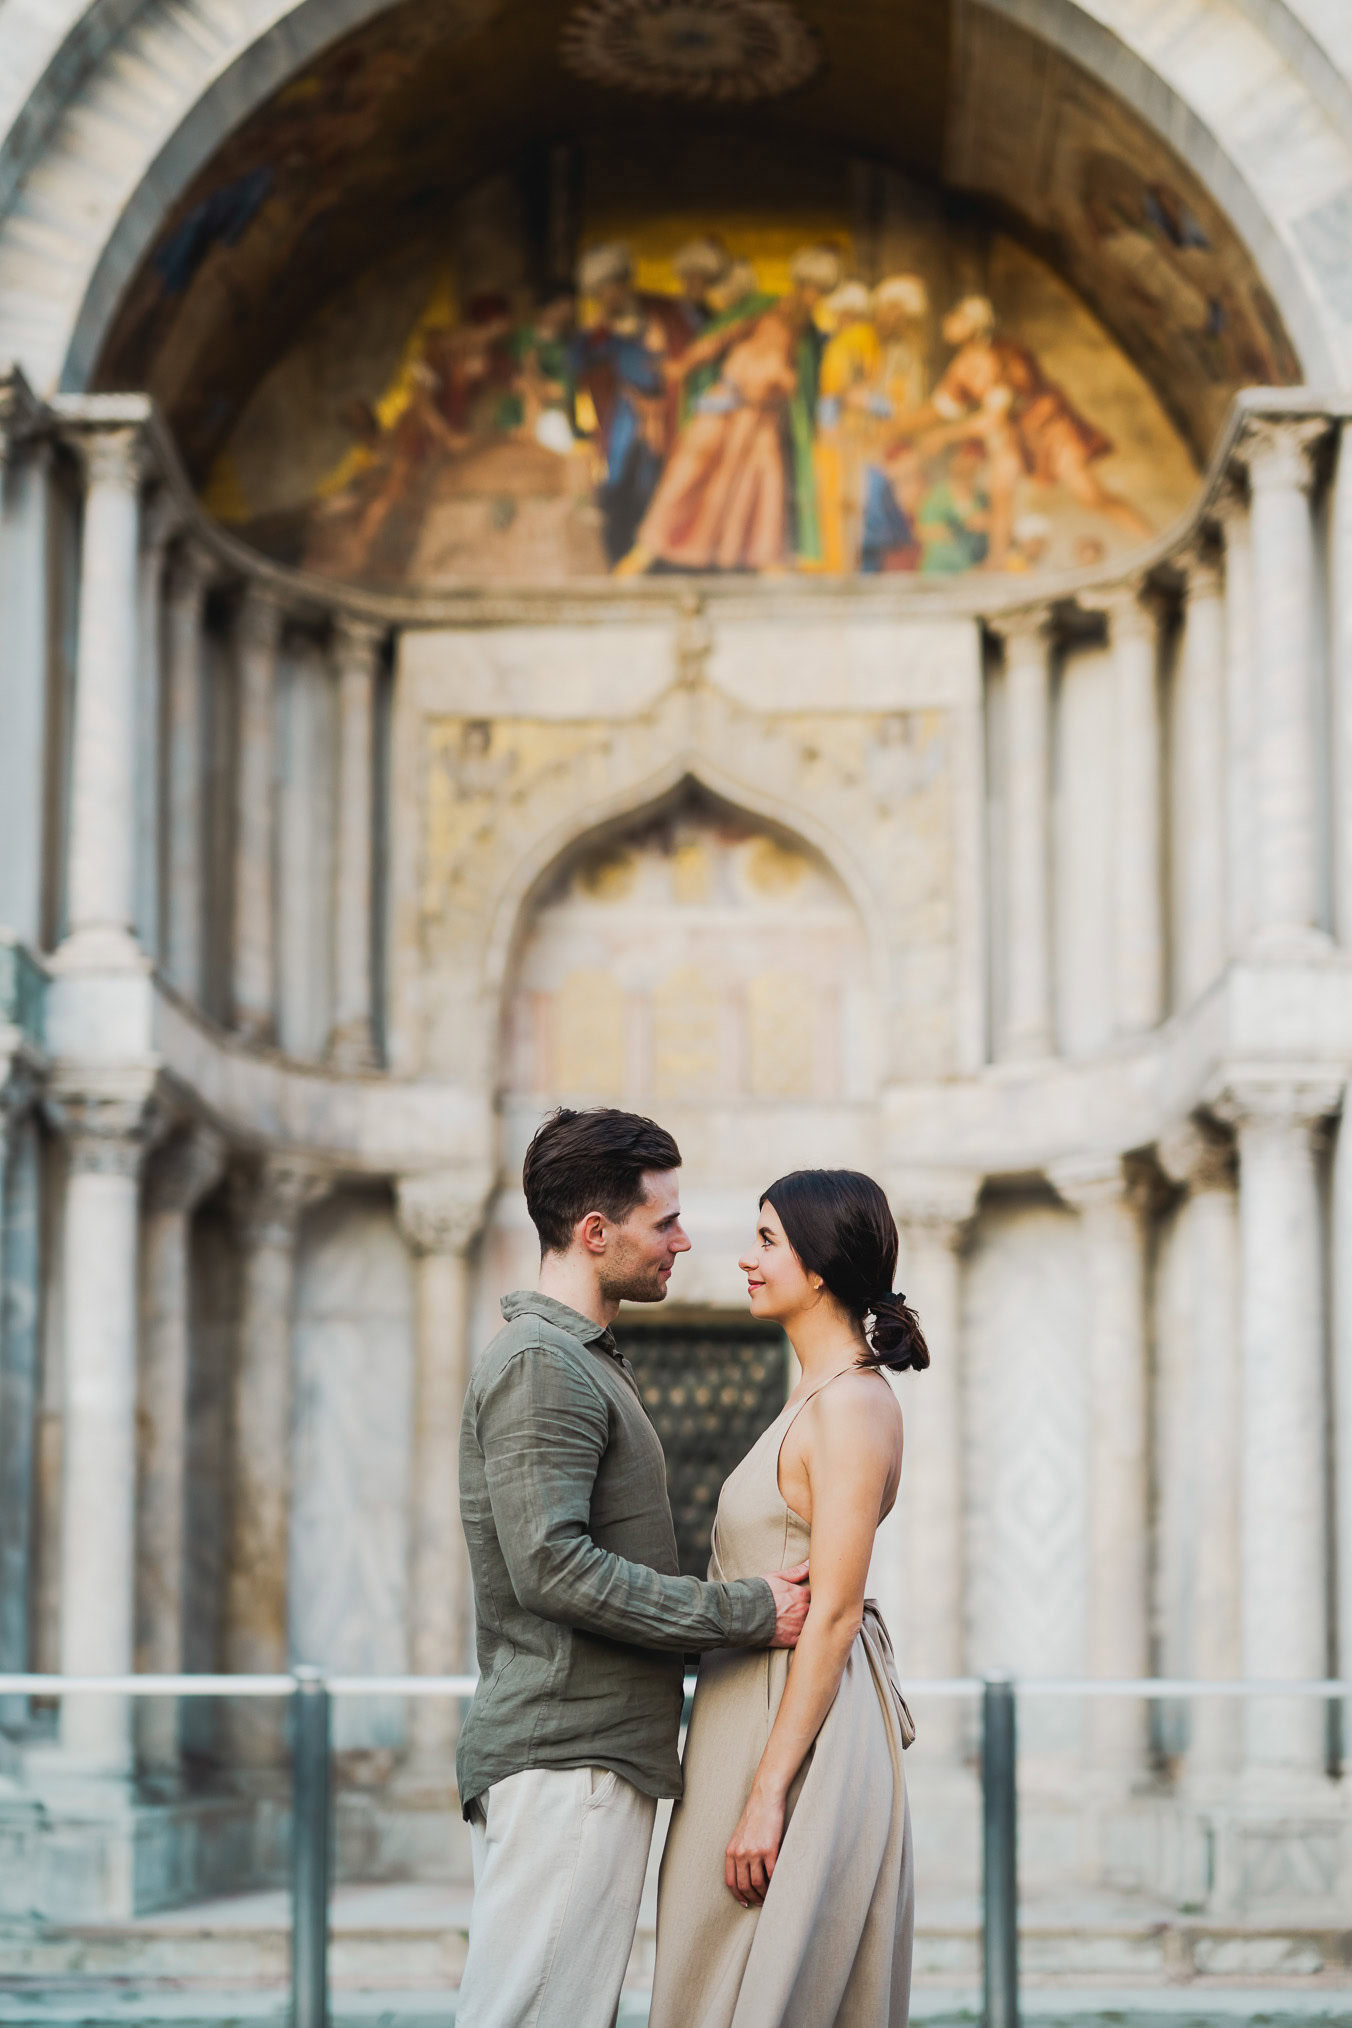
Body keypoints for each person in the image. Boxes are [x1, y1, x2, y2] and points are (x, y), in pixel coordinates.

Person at [455, 1107, 813, 2028]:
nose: (685, 1242)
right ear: (596, 1232)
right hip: (565, 1759)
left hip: (592, 1757)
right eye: (666, 1222)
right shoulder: (544, 1365)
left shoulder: (582, 1361)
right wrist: (745, 1612)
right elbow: (554, 1571)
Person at [649, 1168, 922, 2028]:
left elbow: (836, 1610)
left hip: (792, 1738)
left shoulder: (850, 1406)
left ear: (820, 1268)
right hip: (746, 1718)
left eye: (767, 1241)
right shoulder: (812, 1395)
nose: (745, 1261)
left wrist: (768, 1796)